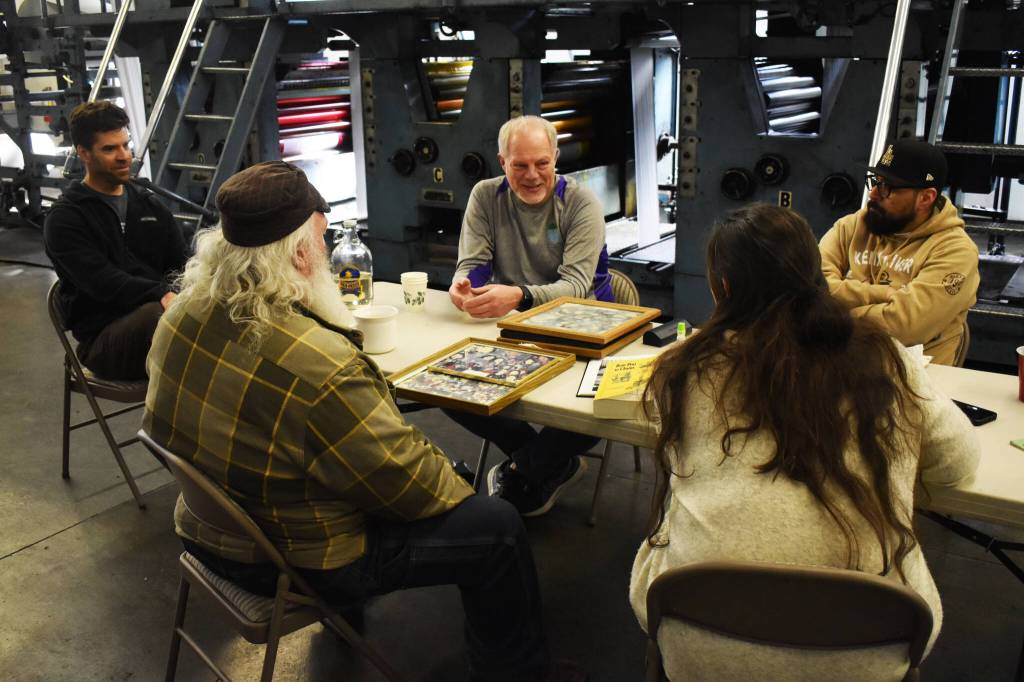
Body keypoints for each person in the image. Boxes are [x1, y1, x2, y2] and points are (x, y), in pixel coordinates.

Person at [143, 161, 582, 682]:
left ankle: (344, 625)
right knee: (498, 526)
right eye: (321, 243)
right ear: (300, 255)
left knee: (319, 456)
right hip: (289, 561)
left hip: (207, 530)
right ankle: (519, 675)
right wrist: (458, 482)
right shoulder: (319, 362)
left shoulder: (180, 315)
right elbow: (409, 487)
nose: (326, 255)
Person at [631, 204, 979, 680]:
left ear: (723, 289)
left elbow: (663, 436)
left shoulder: (686, 371)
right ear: (817, 276)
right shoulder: (885, 361)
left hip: (700, 650)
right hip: (870, 656)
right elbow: (958, 464)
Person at [445, 115, 611, 516]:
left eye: (542, 163)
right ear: (502, 162)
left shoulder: (581, 202)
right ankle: (549, 463)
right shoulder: (485, 196)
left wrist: (518, 295)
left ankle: (525, 468)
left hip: (585, 327)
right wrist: (464, 284)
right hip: (514, 329)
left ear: (555, 157)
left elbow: (575, 286)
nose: (532, 175)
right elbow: (474, 263)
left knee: (595, 407)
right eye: (520, 165)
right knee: (447, 386)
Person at [44, 101, 186, 380]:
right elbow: (104, 283)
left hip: (160, 320)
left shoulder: (149, 205)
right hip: (104, 341)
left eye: (125, 145)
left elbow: (181, 263)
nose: (124, 156)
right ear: (83, 153)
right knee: (157, 315)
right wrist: (161, 293)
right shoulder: (65, 219)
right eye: (109, 149)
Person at [819, 139, 979, 365]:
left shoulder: (955, 251)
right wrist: (883, 295)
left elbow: (904, 327)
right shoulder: (854, 226)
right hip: (845, 367)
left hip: (917, 383)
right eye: (874, 181)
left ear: (926, 198)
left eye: (887, 187)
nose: (873, 194)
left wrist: (829, 318)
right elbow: (812, 286)